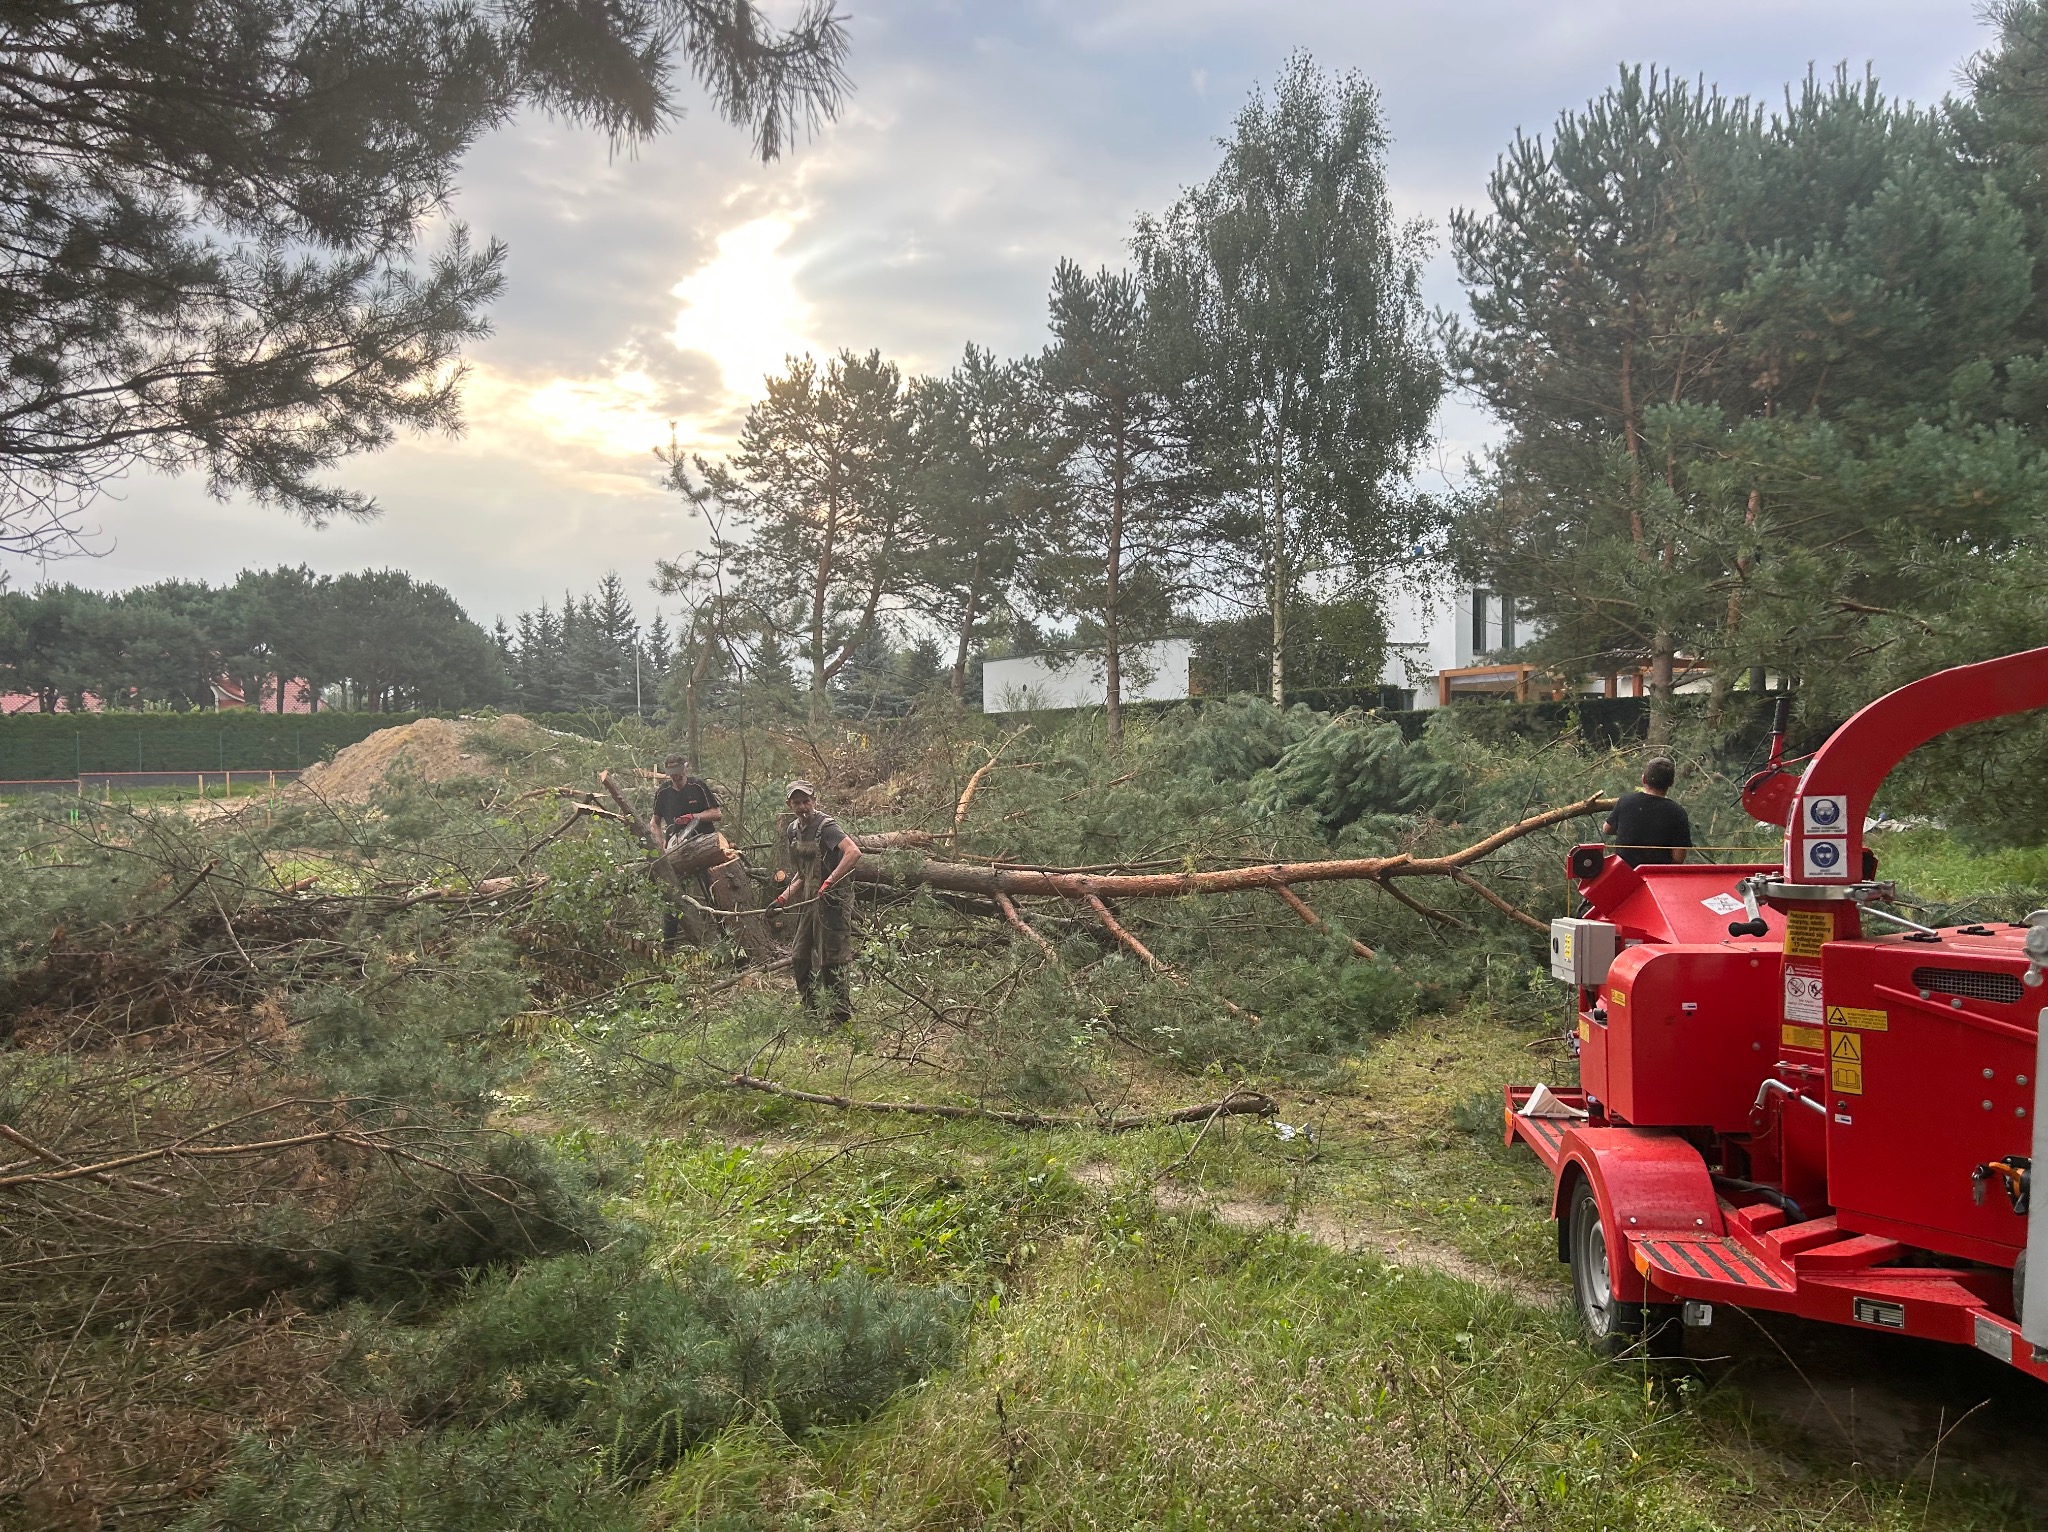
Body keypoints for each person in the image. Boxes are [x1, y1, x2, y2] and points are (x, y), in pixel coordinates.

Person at [771, 779, 862, 1023]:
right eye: (797, 802)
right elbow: (803, 875)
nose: (802, 807)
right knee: (799, 955)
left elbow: (853, 852)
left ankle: (839, 1016)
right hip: (810, 901)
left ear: (814, 800)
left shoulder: (827, 826)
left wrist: (829, 882)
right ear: (789, 804)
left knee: (832, 957)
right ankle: (811, 1010)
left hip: (832, 900)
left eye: (806, 801)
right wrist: (782, 899)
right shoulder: (793, 830)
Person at [652, 755, 721, 948]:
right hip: (676, 846)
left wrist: (694, 816)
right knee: (673, 892)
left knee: (713, 890)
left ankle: (724, 935)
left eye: (678, 772)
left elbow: (716, 813)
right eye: (671, 774)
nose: (675, 777)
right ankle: (669, 943)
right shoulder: (663, 792)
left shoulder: (697, 786)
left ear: (686, 768)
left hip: (703, 844)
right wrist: (660, 846)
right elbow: (655, 822)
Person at [1604, 756, 1692, 867]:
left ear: (1644, 779)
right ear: (1671, 782)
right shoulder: (1678, 812)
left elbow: (1606, 829)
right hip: (1657, 877)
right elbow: (1678, 858)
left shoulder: (1626, 801)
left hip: (1624, 873)